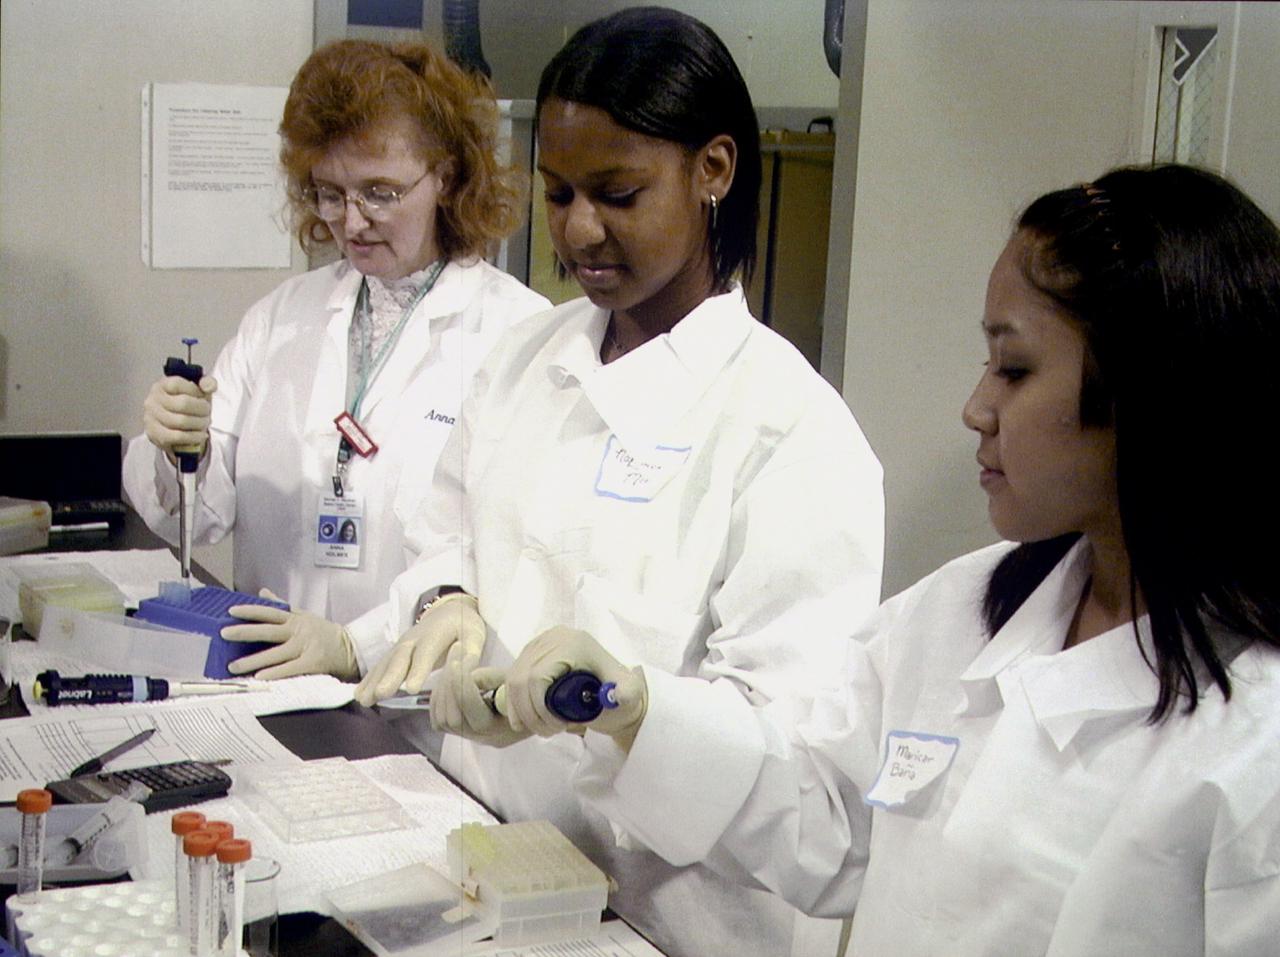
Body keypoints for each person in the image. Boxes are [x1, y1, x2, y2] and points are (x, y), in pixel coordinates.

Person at [494, 164, 1280, 955]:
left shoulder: (1256, 743)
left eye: (1014, 369)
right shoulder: (960, 612)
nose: (976, 408)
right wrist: (636, 715)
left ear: (1149, 394)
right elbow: (832, 820)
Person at [349, 8, 884, 957]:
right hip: (490, 876)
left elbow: (804, 788)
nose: (579, 229)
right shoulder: (522, 361)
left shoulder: (794, 432)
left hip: (665, 921)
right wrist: (448, 598)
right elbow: (450, 530)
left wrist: (635, 709)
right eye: (558, 194)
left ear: (713, 170)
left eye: (618, 192)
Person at [122, 39, 549, 680]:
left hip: (421, 708)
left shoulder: (518, 332)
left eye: (380, 192)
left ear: (447, 176)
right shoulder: (280, 318)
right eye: (330, 192)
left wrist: (357, 645)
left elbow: (505, 565)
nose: (352, 222)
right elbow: (201, 515)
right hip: (265, 684)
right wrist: (183, 446)